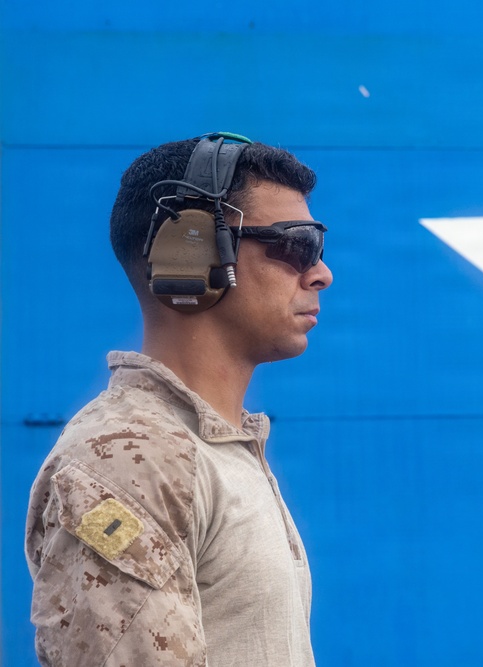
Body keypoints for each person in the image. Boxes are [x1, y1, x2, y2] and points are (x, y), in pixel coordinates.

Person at [24, 134, 332, 666]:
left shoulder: (204, 448)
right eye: (294, 244)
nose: (321, 273)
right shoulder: (129, 458)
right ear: (190, 250)